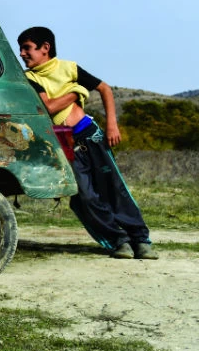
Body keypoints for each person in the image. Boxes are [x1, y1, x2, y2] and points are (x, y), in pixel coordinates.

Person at [17, 26, 158, 260]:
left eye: (27, 48)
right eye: (21, 48)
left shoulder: (68, 67)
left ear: (45, 48)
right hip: (65, 143)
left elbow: (104, 88)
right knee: (84, 196)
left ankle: (141, 240)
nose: (22, 53)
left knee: (115, 189)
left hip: (90, 135)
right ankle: (117, 241)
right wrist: (75, 91)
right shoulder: (30, 78)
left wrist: (112, 124)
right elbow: (49, 107)